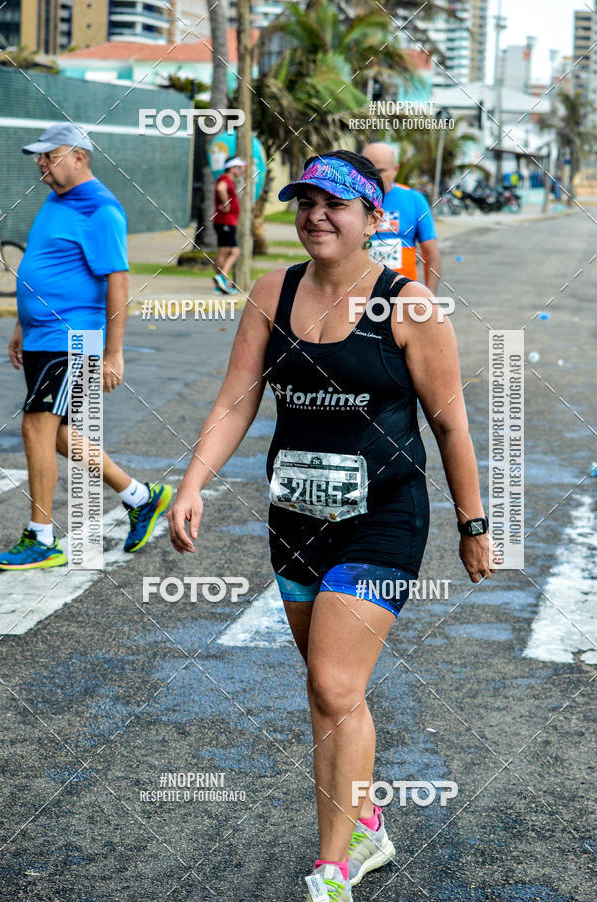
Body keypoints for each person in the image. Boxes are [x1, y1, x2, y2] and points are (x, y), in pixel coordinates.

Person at [168, 150, 495, 900]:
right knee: (332, 696)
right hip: (296, 518)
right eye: (305, 201)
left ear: (374, 219)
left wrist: (473, 523)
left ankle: (335, 863)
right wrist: (192, 485)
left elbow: (450, 427)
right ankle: (368, 817)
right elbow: (235, 402)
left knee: (333, 678)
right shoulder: (270, 291)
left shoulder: (409, 306)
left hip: (383, 518)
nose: (316, 215)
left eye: (335, 205)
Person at [0, 123, 172, 571]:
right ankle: (141, 497)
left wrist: (113, 352)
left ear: (79, 156)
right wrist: (20, 325)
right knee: (56, 434)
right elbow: (44, 265)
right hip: (41, 336)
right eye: (38, 156)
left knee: (36, 426)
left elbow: (117, 280)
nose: (40, 162)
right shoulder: (55, 202)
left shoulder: (101, 209)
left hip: (73, 336)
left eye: (49, 154)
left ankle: (42, 538)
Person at [362, 142, 441, 293]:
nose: (375, 177)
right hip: (360, 294)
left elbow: (431, 254)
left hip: (403, 295)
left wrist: (429, 299)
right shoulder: (352, 201)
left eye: (381, 171)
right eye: (368, 171)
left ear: (395, 170)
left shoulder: (414, 200)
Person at [212, 155, 246, 294]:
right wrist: (226, 205)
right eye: (239, 167)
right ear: (232, 168)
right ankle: (221, 278)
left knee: (227, 252)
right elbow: (220, 189)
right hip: (225, 221)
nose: (241, 170)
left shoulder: (229, 180)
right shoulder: (225, 179)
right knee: (231, 251)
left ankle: (220, 283)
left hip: (228, 222)